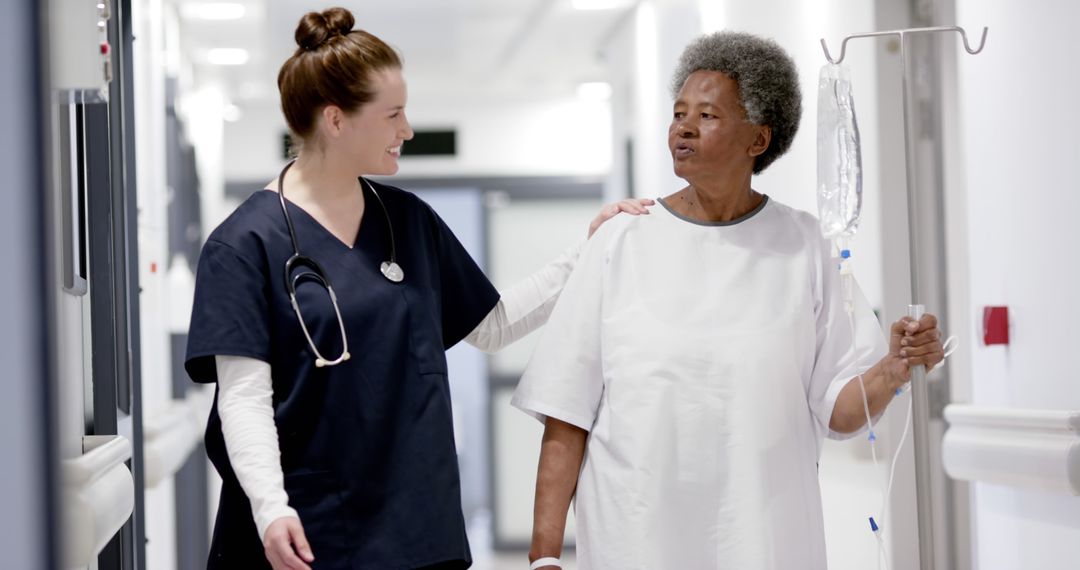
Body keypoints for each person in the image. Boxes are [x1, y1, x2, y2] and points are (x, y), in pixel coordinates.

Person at [184, 7, 650, 570]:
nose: (406, 129)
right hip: (306, 530)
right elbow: (243, 397)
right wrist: (269, 506)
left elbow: (494, 325)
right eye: (393, 114)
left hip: (415, 527)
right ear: (336, 120)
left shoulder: (408, 221)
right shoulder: (243, 244)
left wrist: (589, 250)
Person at [512, 31, 946, 570]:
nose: (683, 128)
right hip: (636, 536)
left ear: (757, 140)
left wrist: (895, 365)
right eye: (679, 113)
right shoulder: (620, 241)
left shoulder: (805, 246)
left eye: (709, 115)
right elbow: (565, 412)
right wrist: (544, 558)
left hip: (764, 538)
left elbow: (840, 406)